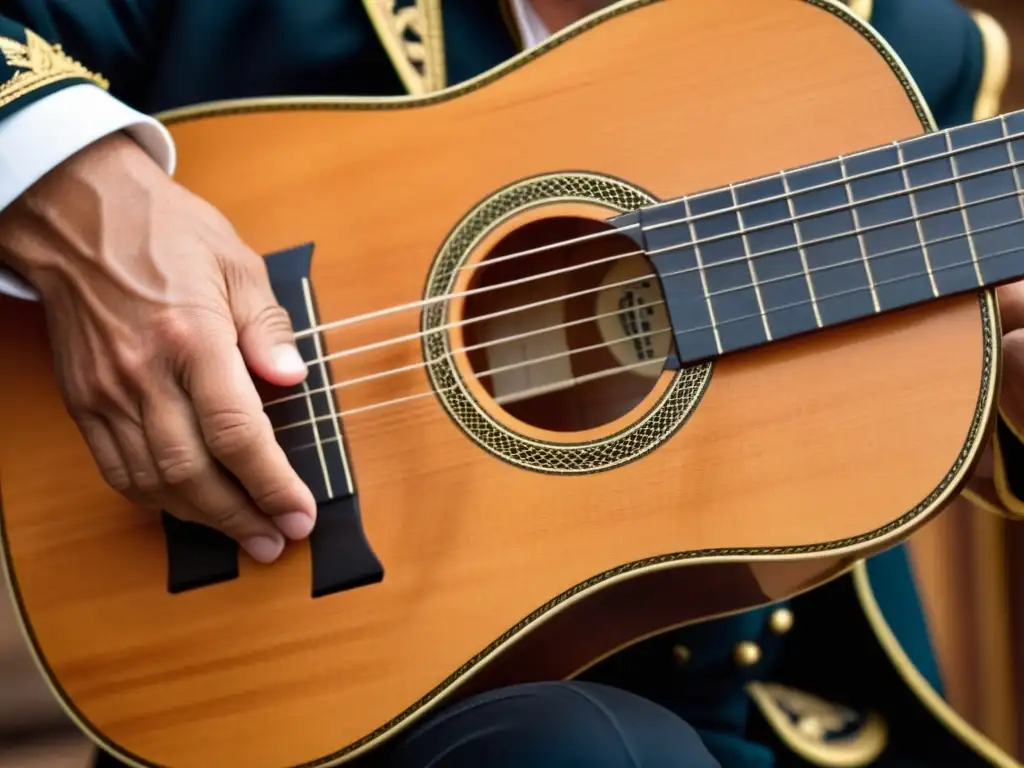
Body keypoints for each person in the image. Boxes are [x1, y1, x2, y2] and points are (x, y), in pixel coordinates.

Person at [0, 0, 1021, 766]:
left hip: (742, 721)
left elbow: (928, 422)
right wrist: (83, 193)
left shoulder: (901, 48)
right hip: (291, 707)